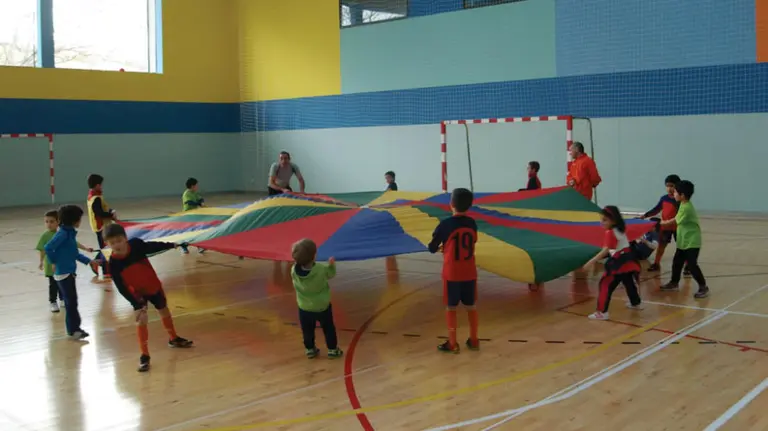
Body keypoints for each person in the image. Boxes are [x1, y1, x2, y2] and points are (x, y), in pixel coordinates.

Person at [103, 224, 194, 372]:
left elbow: (152, 247)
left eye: (119, 240)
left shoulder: (136, 245)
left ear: (125, 238)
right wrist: (136, 304)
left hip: (153, 286)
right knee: (141, 319)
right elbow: (121, 287)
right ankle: (144, 355)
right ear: (107, 244)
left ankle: (173, 338)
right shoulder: (113, 264)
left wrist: (172, 245)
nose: (116, 245)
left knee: (163, 309)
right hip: (137, 293)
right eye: (112, 243)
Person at [428, 188, 479, 353]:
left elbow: (432, 247)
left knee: (451, 307)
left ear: (451, 204)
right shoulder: (472, 223)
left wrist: (442, 248)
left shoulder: (445, 225)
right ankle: (474, 340)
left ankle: (452, 343)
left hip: (452, 273)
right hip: (469, 271)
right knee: (471, 306)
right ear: (469, 206)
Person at [43, 205, 101, 339]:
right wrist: (53, 262)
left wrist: (89, 261)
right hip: (63, 273)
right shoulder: (63, 233)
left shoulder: (69, 233)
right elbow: (48, 247)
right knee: (71, 302)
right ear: (75, 220)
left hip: (69, 272)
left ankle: (75, 328)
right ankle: (73, 330)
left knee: (72, 301)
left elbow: (74, 253)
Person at [583, 206, 642, 320]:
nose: (601, 222)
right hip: (629, 258)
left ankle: (602, 312)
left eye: (605, 220)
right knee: (628, 280)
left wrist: (591, 262)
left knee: (605, 284)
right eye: (601, 219)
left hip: (619, 261)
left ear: (613, 220)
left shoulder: (610, 232)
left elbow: (606, 250)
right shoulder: (620, 229)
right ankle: (635, 302)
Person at [290, 239, 342, 359]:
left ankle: (310, 349)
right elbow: (330, 274)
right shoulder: (319, 269)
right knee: (328, 328)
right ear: (314, 256)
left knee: (307, 330)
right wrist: (331, 265)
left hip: (304, 307)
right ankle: (332, 350)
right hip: (322, 306)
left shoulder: (293, 270)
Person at [660, 180, 709, 299]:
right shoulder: (682, 204)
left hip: (692, 242)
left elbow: (676, 220)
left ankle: (703, 287)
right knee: (677, 262)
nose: (673, 194)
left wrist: (662, 223)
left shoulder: (686, 207)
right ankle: (674, 283)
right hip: (683, 241)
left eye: (675, 192)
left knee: (692, 265)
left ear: (682, 195)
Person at [36, 210, 94, 313]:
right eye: (46, 222)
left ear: (58, 221)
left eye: (52, 221)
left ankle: (62, 299)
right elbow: (44, 249)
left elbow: (73, 244)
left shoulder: (62, 233)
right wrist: (42, 261)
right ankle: (53, 301)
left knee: (61, 284)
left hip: (62, 265)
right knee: (53, 284)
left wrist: (85, 249)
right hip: (51, 265)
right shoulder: (46, 236)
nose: (49, 224)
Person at [641, 175, 682, 272]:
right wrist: (645, 216)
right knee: (661, 246)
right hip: (665, 227)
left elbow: (681, 215)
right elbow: (656, 209)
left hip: (678, 228)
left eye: (672, 186)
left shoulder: (679, 201)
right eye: (667, 186)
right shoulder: (664, 198)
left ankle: (688, 266)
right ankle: (656, 263)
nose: (669, 188)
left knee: (682, 247)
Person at [87, 174, 117, 280]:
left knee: (104, 247)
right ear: (97, 185)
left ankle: (96, 262)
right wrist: (111, 215)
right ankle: (106, 271)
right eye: (100, 184)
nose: (102, 186)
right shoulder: (96, 198)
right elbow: (99, 213)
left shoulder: (92, 195)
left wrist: (110, 211)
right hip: (101, 227)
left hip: (98, 226)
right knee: (106, 249)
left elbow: (102, 209)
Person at [180, 177, 206, 255]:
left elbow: (200, 198)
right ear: (192, 186)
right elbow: (189, 202)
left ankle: (199, 246)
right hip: (187, 216)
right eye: (196, 185)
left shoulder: (195, 193)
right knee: (188, 232)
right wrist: (198, 204)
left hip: (194, 215)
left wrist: (201, 202)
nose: (197, 187)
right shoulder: (186, 193)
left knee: (197, 231)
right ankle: (183, 246)